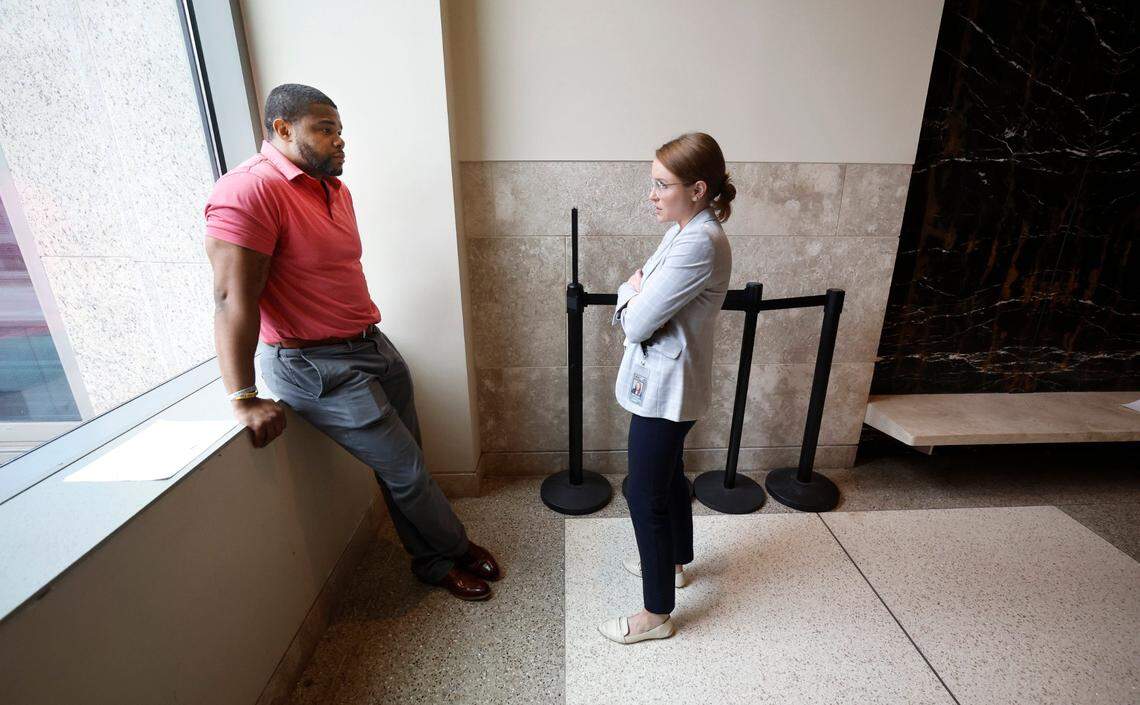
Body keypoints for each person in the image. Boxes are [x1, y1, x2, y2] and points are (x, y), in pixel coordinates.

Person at [203, 83, 500, 601]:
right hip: (313, 363)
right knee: (406, 470)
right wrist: (243, 397)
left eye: (339, 130)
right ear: (282, 129)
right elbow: (232, 299)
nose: (339, 141)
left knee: (407, 466)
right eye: (324, 129)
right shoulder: (248, 190)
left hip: (371, 345)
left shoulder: (333, 189)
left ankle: (431, 557)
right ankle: (453, 549)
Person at [598, 133, 734, 644]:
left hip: (669, 389)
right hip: (669, 382)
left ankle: (656, 614)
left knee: (644, 491)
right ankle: (676, 563)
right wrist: (633, 294)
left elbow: (636, 319)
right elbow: (637, 296)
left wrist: (631, 294)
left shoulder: (698, 241)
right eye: (652, 183)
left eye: (662, 185)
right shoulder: (685, 229)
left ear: (697, 189)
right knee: (669, 478)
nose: (651, 195)